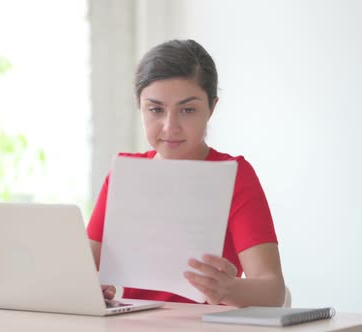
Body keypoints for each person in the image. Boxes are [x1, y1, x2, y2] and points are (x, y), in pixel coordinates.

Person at [87, 39, 285, 307]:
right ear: (140, 107)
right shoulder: (124, 173)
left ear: (212, 108)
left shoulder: (234, 175)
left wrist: (228, 289)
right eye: (156, 109)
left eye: (188, 110)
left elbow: (272, 291)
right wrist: (90, 286)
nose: (170, 127)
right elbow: (84, 268)